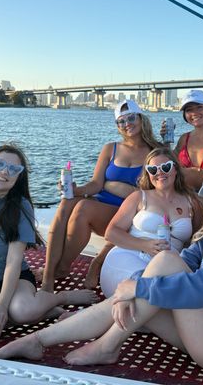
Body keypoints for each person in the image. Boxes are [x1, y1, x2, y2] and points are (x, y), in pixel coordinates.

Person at [0, 167, 203, 376]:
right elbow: (182, 264)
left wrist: (138, 288)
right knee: (138, 294)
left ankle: (106, 345)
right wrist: (133, 287)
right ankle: (36, 340)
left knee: (164, 264)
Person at [0, 144, 97, 341]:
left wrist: (3, 308)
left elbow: (13, 262)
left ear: (18, 178)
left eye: (14, 169)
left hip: (12, 280)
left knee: (23, 310)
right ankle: (37, 313)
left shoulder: (20, 207)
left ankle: (59, 298)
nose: (5, 171)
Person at [40, 100, 161, 292]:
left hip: (127, 214)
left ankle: (62, 268)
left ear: (141, 118)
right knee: (67, 202)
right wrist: (74, 189)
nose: (127, 123)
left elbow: (158, 190)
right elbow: (96, 184)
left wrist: (114, 186)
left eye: (131, 118)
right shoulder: (110, 148)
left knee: (83, 208)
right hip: (101, 205)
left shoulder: (154, 152)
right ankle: (49, 273)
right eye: (121, 121)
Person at [100, 147, 202, 298]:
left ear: (175, 169)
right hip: (130, 257)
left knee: (167, 297)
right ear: (148, 173)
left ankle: (91, 317)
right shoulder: (139, 197)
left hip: (166, 265)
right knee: (148, 292)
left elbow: (197, 240)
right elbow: (111, 233)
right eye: (153, 169)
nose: (159, 173)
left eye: (165, 167)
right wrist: (145, 245)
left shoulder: (191, 202)